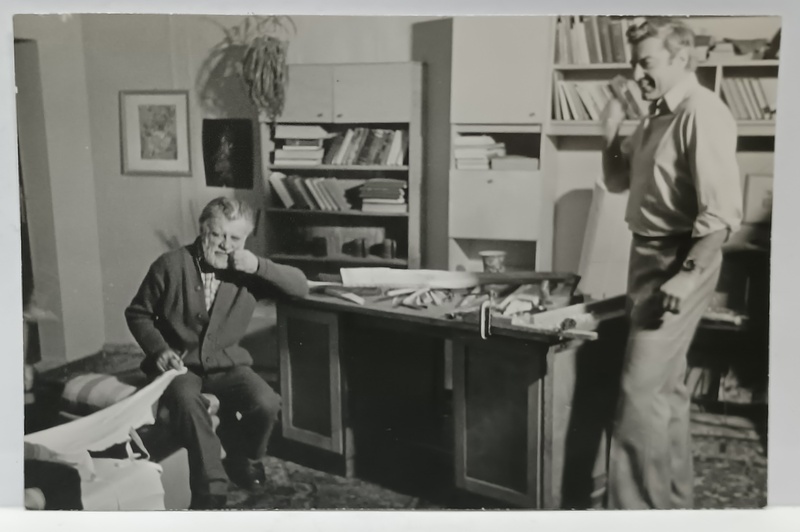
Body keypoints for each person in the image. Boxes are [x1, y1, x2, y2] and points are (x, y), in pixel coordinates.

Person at [600, 17, 743, 509]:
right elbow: (618, 182)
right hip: (645, 257)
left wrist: (688, 273)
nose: (637, 73)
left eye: (647, 62)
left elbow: (722, 214)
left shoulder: (702, 113)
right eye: (633, 62)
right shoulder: (654, 114)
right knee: (665, 393)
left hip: (680, 260)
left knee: (638, 397)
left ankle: (636, 515)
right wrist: (612, 124)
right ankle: (676, 505)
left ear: (682, 58)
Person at [125, 197, 309, 509]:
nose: (225, 245)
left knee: (267, 402)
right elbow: (138, 313)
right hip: (181, 366)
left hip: (228, 364)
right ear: (202, 230)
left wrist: (259, 265)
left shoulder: (249, 271)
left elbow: (300, 287)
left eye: (235, 238)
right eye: (217, 235)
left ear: (246, 239)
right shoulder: (170, 265)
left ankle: (245, 457)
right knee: (185, 401)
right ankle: (212, 485)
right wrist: (159, 350)